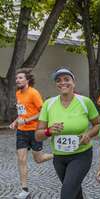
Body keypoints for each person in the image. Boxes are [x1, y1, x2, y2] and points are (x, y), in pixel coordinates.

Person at [35, 68, 100, 199]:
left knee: (67, 193)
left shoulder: (85, 102)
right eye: (58, 80)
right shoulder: (49, 104)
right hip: (59, 158)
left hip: (81, 155)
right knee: (75, 192)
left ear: (73, 82)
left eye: (66, 79)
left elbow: (98, 125)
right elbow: (37, 135)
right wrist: (49, 131)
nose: (62, 83)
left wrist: (88, 134)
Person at [9, 68, 53, 199]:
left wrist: (26, 120)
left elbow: (43, 112)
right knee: (21, 160)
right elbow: (22, 113)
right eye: (17, 78)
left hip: (35, 131)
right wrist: (16, 122)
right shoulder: (18, 94)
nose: (18, 80)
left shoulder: (34, 93)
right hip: (22, 132)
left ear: (27, 80)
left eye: (20, 78)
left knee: (38, 159)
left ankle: (56, 154)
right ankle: (24, 190)